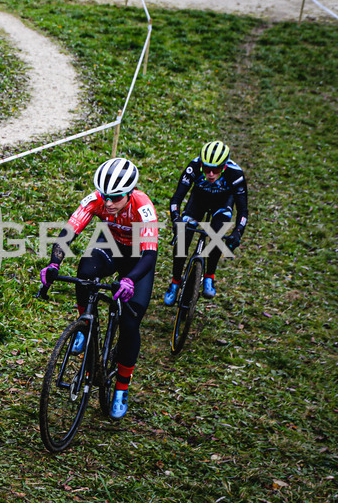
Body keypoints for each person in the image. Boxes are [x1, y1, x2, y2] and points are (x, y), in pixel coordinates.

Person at [39, 158, 159, 419]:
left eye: (116, 197)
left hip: (139, 257)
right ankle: (84, 323)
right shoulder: (95, 200)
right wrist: (54, 264)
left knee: (129, 323)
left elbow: (150, 255)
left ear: (129, 193)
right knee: (84, 275)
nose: (108, 203)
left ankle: (121, 387)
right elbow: (67, 234)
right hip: (110, 244)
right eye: (105, 196)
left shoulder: (144, 207)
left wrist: (129, 280)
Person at [164, 140, 248, 303]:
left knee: (218, 235)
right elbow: (176, 199)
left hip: (222, 204)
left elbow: (243, 211)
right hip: (198, 201)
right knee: (182, 239)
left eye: (215, 169)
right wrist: (176, 219)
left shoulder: (235, 174)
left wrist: (238, 232)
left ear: (224, 167)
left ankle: (209, 276)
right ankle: (175, 282)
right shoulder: (193, 167)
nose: (210, 174)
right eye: (207, 168)